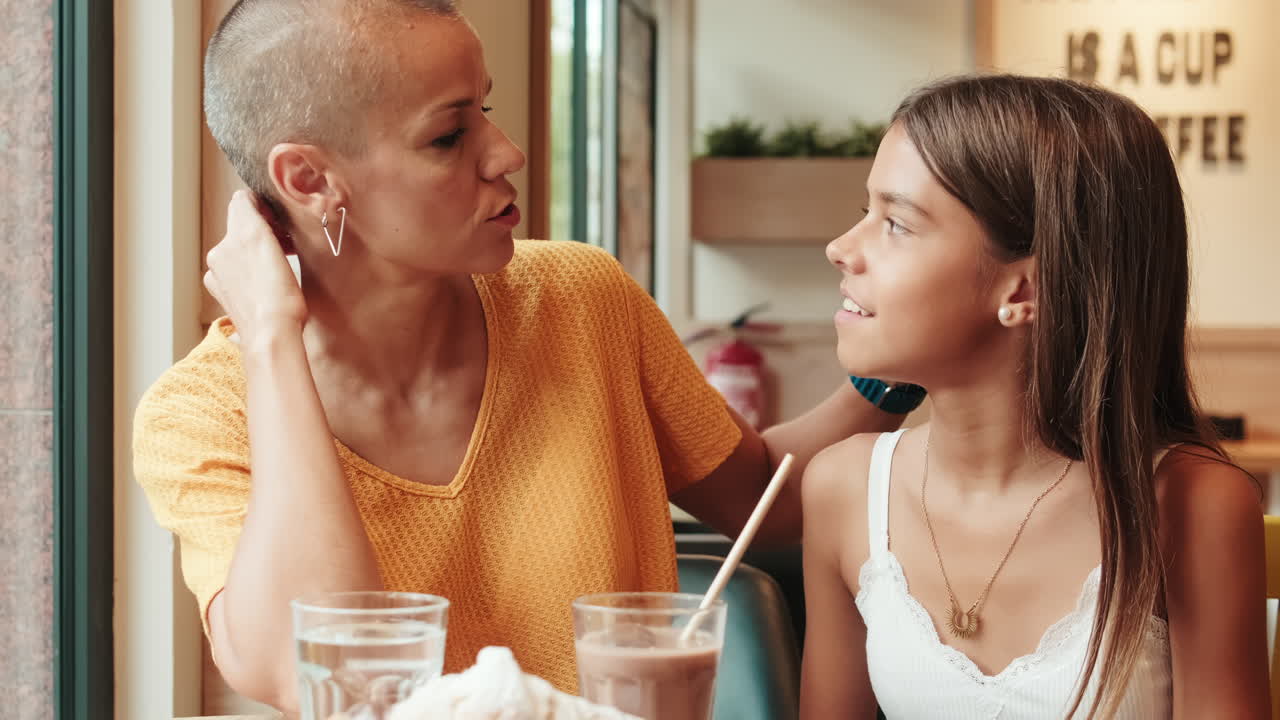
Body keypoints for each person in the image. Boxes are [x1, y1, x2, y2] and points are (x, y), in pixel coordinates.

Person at [132, 0, 920, 712]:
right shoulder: (198, 417)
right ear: (310, 180)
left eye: (487, 111)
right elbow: (324, 676)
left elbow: (761, 498)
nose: (505, 152)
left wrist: (899, 366)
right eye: (449, 136)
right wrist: (273, 342)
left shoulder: (582, 296)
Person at [799, 73, 1270, 719]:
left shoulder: (1193, 505)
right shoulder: (843, 489)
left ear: (1023, 291)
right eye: (865, 214)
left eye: (897, 224)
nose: (840, 249)